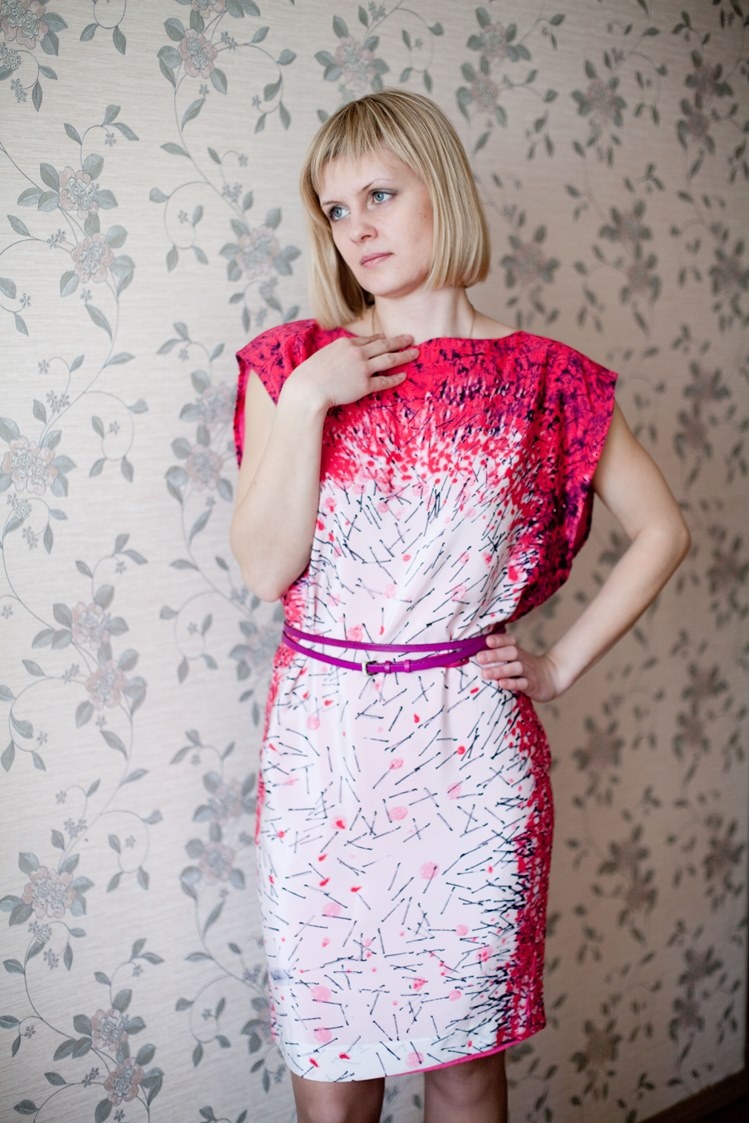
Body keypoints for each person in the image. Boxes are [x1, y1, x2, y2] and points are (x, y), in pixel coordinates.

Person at [230, 89, 690, 1123]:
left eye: (379, 195)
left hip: (470, 757)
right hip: (323, 756)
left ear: (441, 188)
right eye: (335, 209)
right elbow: (264, 568)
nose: (357, 229)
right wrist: (309, 399)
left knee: (466, 1066)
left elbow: (662, 530)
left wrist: (558, 665)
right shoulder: (290, 364)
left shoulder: (547, 381)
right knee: (333, 1065)